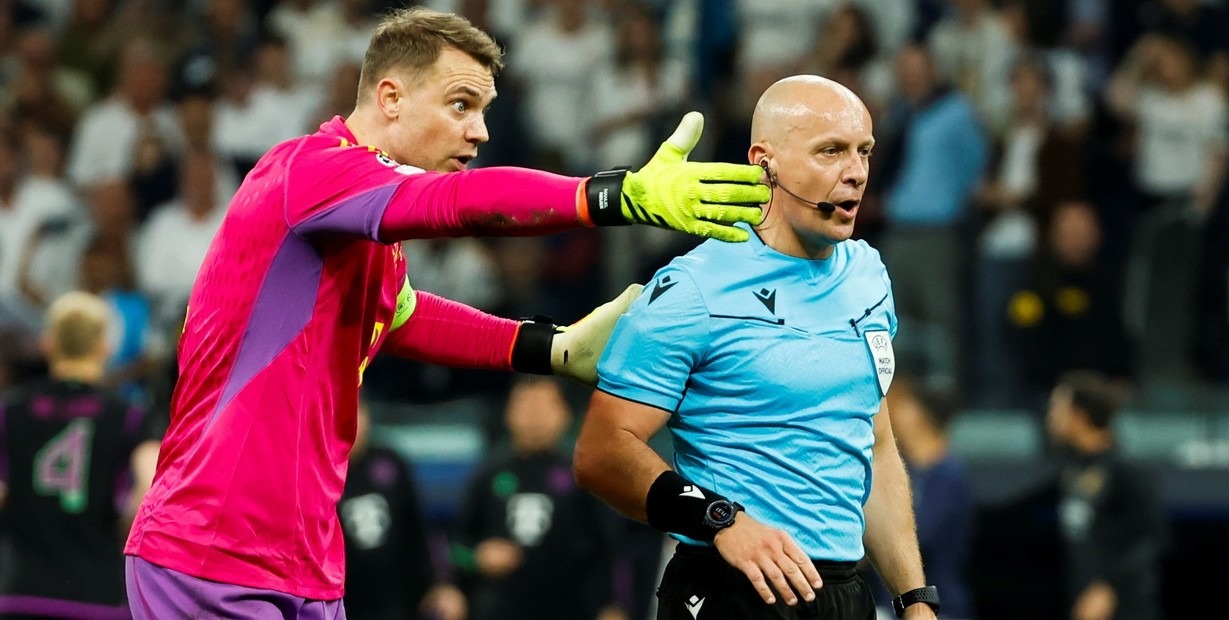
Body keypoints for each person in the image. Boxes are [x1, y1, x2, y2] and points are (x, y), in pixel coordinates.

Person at [122, 7, 768, 618]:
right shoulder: (308, 171)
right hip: (211, 548)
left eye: (484, 110)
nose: (480, 131)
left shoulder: (360, 229)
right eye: (460, 105)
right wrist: (611, 195)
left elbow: (401, 318)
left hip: (304, 563)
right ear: (390, 98)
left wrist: (546, 347)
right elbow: (459, 204)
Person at [574, 75, 940, 620]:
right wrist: (721, 521)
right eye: (830, 151)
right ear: (763, 163)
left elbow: (876, 443)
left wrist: (913, 598)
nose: (857, 172)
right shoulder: (691, 288)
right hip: (730, 589)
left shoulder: (869, 275)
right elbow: (601, 453)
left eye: (863, 151)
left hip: (844, 595)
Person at [0, 291, 162, 618]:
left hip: (21, 589)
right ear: (106, 347)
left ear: (47, 344)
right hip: (96, 593)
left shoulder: (10, 412)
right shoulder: (130, 416)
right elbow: (151, 488)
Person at [454, 376, 628, 620]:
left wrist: (612, 605)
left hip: (572, 608)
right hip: (500, 608)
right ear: (508, 412)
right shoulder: (487, 473)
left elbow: (608, 549)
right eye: (525, 404)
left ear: (565, 414)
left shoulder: (585, 475)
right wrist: (478, 557)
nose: (534, 415)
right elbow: (455, 548)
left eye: (544, 405)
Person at [1046, 371, 1165, 620]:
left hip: (1124, 607)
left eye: (1057, 409)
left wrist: (1109, 587)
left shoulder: (1126, 470)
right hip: (1082, 600)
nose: (1051, 418)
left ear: (1079, 416)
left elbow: (1151, 538)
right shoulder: (1072, 468)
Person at [340, 402, 465, 620]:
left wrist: (441, 583)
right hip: (343, 603)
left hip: (399, 602)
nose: (352, 421)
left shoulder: (391, 461)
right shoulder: (315, 472)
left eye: (358, 410)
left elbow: (421, 529)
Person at [872, 375, 975, 619]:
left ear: (916, 413)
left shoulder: (948, 476)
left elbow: (921, 534)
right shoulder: (909, 470)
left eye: (900, 405)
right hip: (888, 605)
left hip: (940, 608)